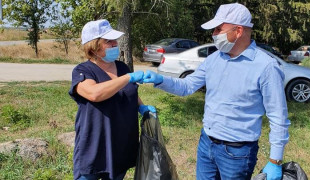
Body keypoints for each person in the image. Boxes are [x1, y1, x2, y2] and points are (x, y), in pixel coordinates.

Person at [143, 3, 290, 180]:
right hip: (206, 143)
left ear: (238, 31)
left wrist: (275, 161)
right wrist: (160, 80)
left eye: (218, 29)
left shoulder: (266, 67)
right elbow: (187, 86)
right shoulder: (213, 59)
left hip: (238, 153)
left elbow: (278, 116)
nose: (213, 34)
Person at [68, 19, 155, 180]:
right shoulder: (83, 70)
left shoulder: (122, 67)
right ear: (93, 47)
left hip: (120, 142)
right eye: (109, 41)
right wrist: (127, 78)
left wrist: (142, 107)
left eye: (115, 40)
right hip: (94, 143)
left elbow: (130, 91)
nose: (115, 44)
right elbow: (94, 94)